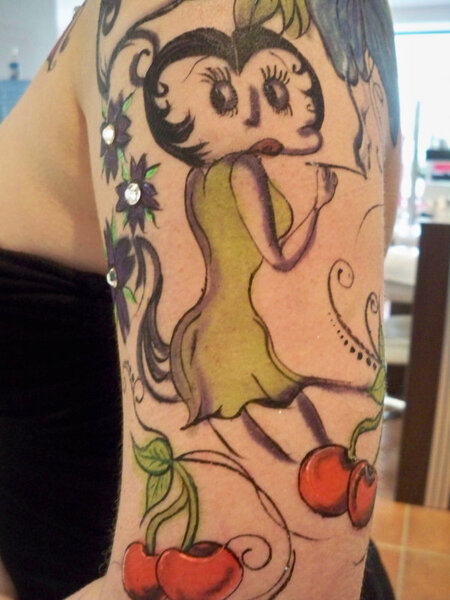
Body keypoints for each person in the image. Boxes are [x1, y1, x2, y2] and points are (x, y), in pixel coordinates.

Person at [0, 1, 402, 599]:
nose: (257, 113)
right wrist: (316, 203)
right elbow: (279, 256)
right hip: (228, 333)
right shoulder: (237, 173)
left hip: (221, 332)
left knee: (271, 426)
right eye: (223, 99)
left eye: (273, 90)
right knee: (273, 422)